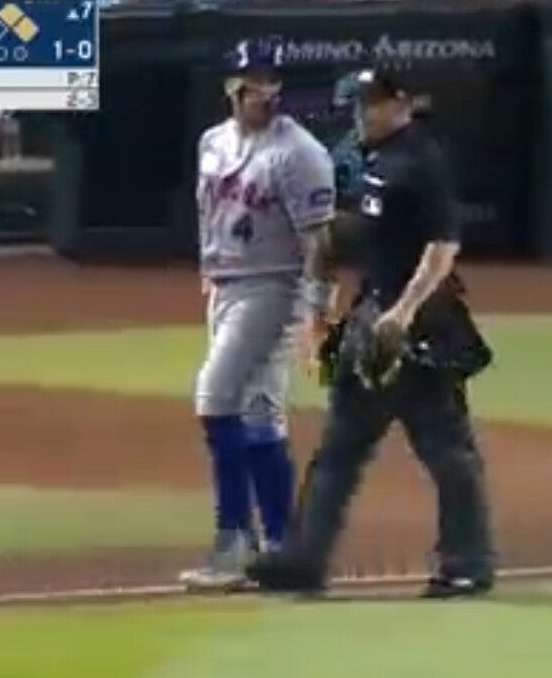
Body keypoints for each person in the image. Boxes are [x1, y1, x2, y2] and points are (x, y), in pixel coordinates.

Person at [247, 67, 497, 599]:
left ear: (401, 104)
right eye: (358, 105)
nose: (362, 114)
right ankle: (303, 561)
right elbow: (358, 247)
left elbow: (442, 247)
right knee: (339, 449)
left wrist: (402, 315)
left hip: (419, 326)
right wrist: (327, 318)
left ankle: (467, 563)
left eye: (372, 104)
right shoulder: (371, 161)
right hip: (371, 319)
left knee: (446, 449)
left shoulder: (422, 161)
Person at [177, 38, 339, 591]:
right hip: (225, 285)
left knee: (214, 394)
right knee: (259, 416)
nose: (265, 91)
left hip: (274, 286)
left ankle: (233, 540)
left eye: (272, 80)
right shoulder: (212, 143)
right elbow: (211, 211)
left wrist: (316, 313)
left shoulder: (300, 153)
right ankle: (280, 546)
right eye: (254, 80)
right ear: (232, 86)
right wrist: (210, 267)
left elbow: (319, 241)